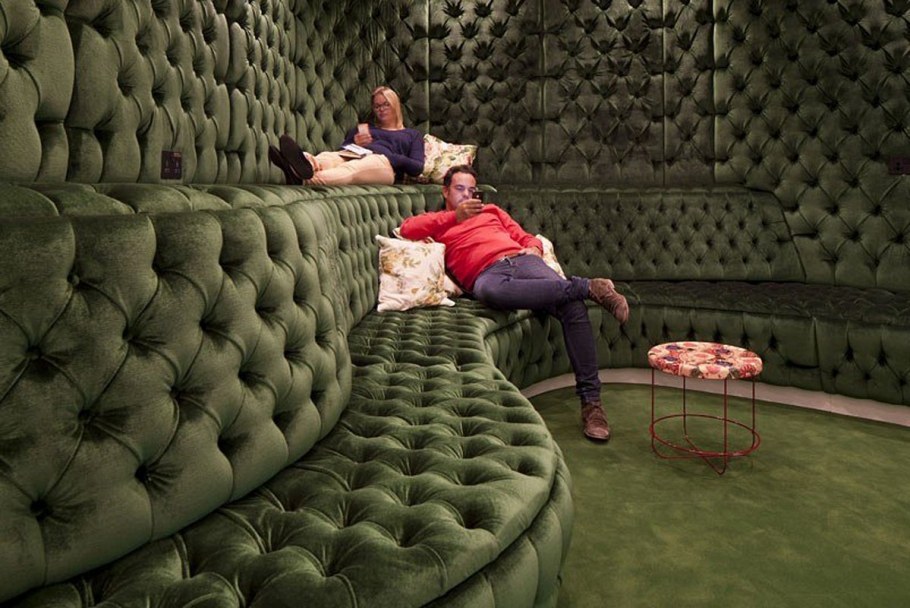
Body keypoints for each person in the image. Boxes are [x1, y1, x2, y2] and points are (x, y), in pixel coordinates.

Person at [399, 165, 630, 442]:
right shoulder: (438, 221)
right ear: (445, 191)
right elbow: (407, 229)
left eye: (471, 190)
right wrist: (454, 216)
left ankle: (592, 404)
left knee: (573, 307)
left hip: (523, 262)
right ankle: (588, 287)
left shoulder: (492, 212)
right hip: (488, 274)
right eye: (460, 189)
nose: (467, 195)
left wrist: (533, 247)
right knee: (489, 291)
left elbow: (525, 236)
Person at [269, 86, 424, 186]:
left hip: (384, 165)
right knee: (329, 157)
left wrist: (390, 156)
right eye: (377, 106)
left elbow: (417, 167)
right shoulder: (365, 128)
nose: (381, 109)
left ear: (395, 105)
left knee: (351, 169)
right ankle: (304, 163)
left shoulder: (411, 135)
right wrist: (354, 143)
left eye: (385, 104)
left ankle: (301, 177)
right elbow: (342, 149)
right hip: (355, 154)